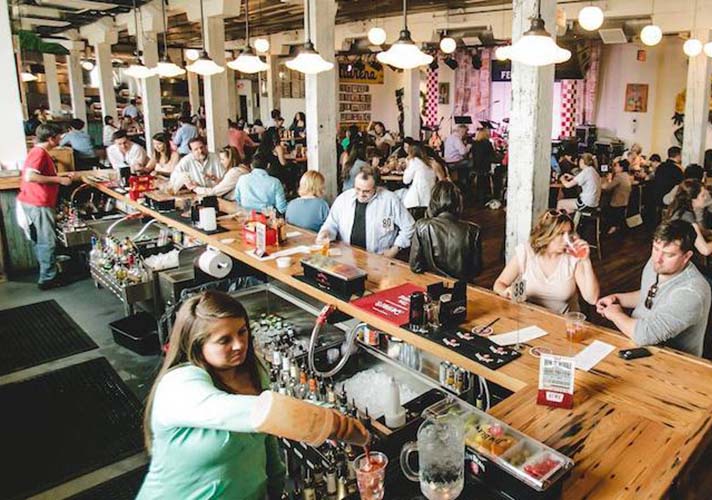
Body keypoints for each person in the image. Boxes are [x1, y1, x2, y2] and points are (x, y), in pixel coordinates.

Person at [136, 291, 368, 499]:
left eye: (242, 331)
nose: (239, 345)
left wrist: (276, 488)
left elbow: (267, 444)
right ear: (197, 346)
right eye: (224, 340)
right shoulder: (179, 385)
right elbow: (260, 412)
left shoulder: (252, 372)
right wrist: (337, 425)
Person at [596, 219, 710, 355]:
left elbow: (644, 335)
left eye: (669, 254)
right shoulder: (656, 263)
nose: (658, 259)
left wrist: (615, 314)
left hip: (670, 361)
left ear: (687, 256)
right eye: (656, 248)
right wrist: (617, 298)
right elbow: (648, 294)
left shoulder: (691, 292)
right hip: (636, 343)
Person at [493, 210, 599, 314]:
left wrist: (586, 261)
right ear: (547, 234)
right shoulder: (526, 252)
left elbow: (592, 299)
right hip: (527, 318)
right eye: (561, 234)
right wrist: (506, 292)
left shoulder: (572, 258)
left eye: (569, 233)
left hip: (561, 323)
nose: (567, 239)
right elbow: (499, 284)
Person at [16, 124, 75, 290]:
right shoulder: (39, 153)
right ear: (51, 138)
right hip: (38, 203)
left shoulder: (38, 152)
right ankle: (48, 278)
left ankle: (48, 273)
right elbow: (30, 176)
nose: (60, 139)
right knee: (46, 241)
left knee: (40, 240)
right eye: (59, 137)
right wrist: (59, 180)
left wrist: (58, 176)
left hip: (32, 201)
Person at [317, 166, 414, 258]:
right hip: (348, 256)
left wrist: (395, 249)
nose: (361, 194)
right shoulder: (343, 199)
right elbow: (331, 223)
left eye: (366, 191)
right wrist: (326, 232)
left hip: (379, 258)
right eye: (357, 189)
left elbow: (409, 226)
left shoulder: (390, 200)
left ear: (376, 188)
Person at [410, 181, 483, 280]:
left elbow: (415, 267)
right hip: (462, 287)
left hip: (433, 285)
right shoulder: (473, 230)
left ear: (433, 202)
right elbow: (476, 270)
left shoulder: (422, 226)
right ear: (458, 202)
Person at [646, 147, 685, 226]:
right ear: (678, 156)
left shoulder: (660, 166)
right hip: (669, 200)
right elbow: (681, 184)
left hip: (656, 197)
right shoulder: (677, 169)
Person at [402, 143, 437, 220]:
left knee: (398, 195)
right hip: (429, 199)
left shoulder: (414, 161)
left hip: (417, 201)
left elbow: (405, 180)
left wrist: (407, 165)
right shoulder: (429, 162)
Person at [601, 158, 632, 234]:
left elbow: (607, 188)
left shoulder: (619, 177)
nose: (614, 167)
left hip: (617, 202)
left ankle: (609, 227)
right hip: (624, 201)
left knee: (603, 207)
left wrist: (607, 180)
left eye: (616, 166)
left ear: (621, 168)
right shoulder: (627, 176)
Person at [470, 129, 495, 199]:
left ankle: (479, 195)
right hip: (485, 166)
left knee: (480, 179)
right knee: (486, 178)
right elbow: (492, 156)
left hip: (476, 166)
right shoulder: (488, 143)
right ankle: (487, 195)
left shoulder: (474, 144)